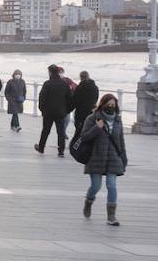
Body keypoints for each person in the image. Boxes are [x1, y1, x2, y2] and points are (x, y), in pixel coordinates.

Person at [79, 93, 126, 226]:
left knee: (112, 185)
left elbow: (121, 141)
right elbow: (84, 137)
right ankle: (88, 201)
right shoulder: (92, 118)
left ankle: (111, 216)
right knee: (96, 186)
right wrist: (97, 128)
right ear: (102, 104)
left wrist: (124, 158)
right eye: (108, 104)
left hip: (113, 157)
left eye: (113, 104)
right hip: (96, 157)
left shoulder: (117, 120)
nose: (111, 107)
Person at [35, 64, 73, 157]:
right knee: (61, 131)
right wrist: (67, 110)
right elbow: (70, 98)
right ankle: (61, 151)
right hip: (61, 112)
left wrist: (41, 109)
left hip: (48, 112)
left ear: (50, 72)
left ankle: (41, 147)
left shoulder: (47, 84)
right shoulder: (64, 84)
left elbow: (42, 97)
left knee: (46, 130)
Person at [70, 70, 98, 150]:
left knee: (78, 129)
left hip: (80, 111)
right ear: (88, 76)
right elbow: (96, 98)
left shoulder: (80, 87)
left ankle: (76, 145)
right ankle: (88, 145)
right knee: (89, 129)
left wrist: (69, 108)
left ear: (81, 78)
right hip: (90, 111)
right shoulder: (95, 87)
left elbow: (76, 100)